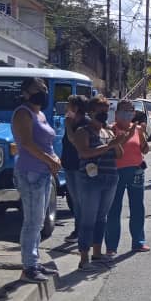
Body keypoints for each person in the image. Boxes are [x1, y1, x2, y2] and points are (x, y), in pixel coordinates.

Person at [10, 78, 60, 283]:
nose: (43, 92)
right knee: (32, 221)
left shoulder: (40, 114)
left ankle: (34, 261)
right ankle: (29, 267)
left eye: (44, 89)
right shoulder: (23, 113)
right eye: (37, 89)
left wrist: (54, 159)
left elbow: (46, 142)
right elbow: (27, 143)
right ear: (25, 92)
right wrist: (50, 159)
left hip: (43, 172)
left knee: (39, 221)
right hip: (30, 173)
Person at [70, 96, 127, 271]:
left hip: (110, 178)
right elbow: (84, 153)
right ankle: (84, 257)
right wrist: (110, 146)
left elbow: (119, 155)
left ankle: (97, 253)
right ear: (91, 111)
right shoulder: (83, 131)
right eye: (101, 109)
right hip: (90, 180)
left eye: (107, 109)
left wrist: (116, 144)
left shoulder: (108, 132)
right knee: (88, 218)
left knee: (101, 218)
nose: (104, 113)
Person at [106, 100, 151, 256]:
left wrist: (142, 135)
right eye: (124, 110)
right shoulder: (111, 129)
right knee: (113, 210)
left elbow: (144, 150)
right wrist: (129, 134)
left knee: (138, 207)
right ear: (117, 113)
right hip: (116, 173)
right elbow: (113, 148)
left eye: (130, 111)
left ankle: (138, 242)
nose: (127, 114)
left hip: (136, 171)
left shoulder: (137, 129)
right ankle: (111, 246)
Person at [62, 95, 88, 243]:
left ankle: (82, 230)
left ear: (76, 108)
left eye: (69, 105)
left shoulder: (85, 123)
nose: (67, 108)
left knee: (81, 200)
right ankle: (79, 228)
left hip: (80, 167)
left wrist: (67, 126)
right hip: (69, 165)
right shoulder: (71, 122)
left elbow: (74, 141)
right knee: (74, 200)